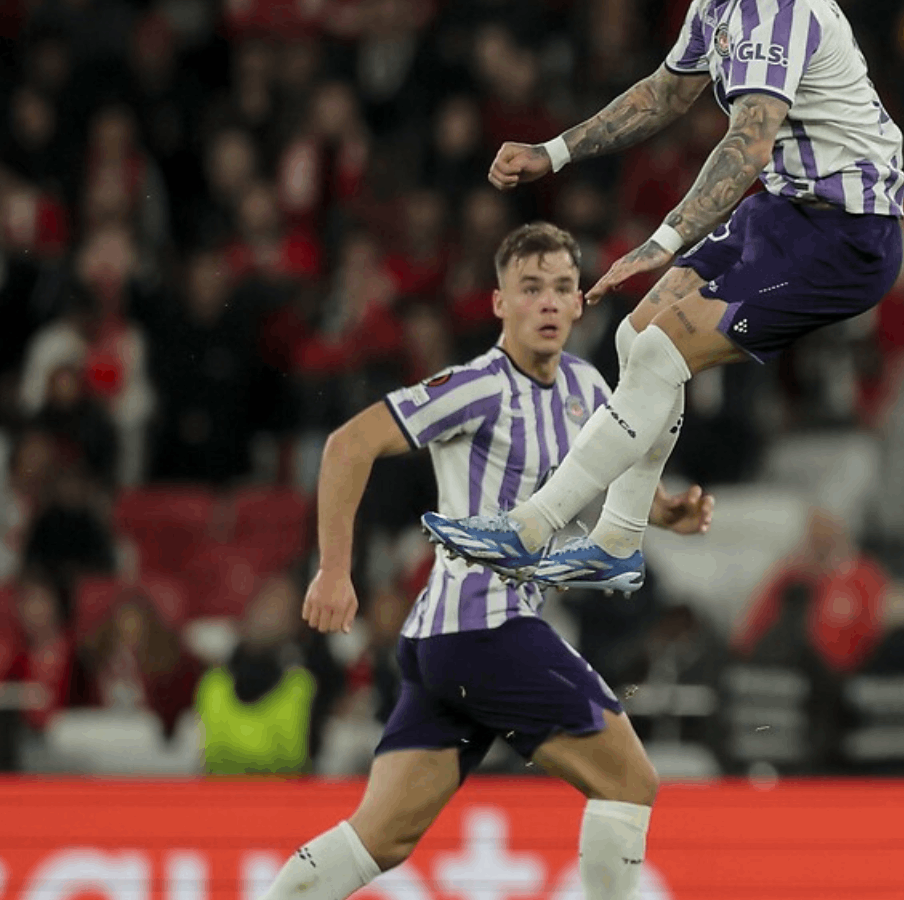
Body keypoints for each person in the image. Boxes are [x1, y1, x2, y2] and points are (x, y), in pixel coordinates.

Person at [420, 0, 904, 590]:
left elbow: (749, 144)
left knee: (662, 351)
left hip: (848, 234)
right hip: (785, 211)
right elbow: (661, 96)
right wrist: (553, 153)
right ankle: (617, 540)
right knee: (636, 335)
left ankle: (531, 527)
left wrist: (663, 240)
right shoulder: (715, 4)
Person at [255, 223, 714, 900]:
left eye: (562, 287)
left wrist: (665, 510)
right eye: (531, 289)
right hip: (483, 628)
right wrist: (333, 569)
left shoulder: (588, 387)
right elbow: (348, 445)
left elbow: (603, 478)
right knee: (629, 782)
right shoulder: (476, 387)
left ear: (581, 301)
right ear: (499, 303)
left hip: (446, 644)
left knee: (380, 837)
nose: (550, 303)